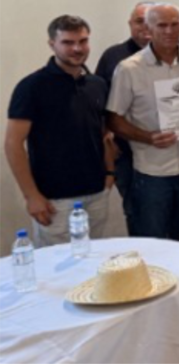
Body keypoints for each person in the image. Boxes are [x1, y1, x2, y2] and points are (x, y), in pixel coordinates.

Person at [6, 15, 113, 247]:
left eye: (83, 41)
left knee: (95, 260)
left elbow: (104, 133)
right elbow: (13, 143)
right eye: (67, 42)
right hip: (54, 200)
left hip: (96, 193)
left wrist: (109, 175)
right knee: (56, 265)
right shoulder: (31, 87)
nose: (77, 48)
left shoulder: (97, 84)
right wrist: (31, 196)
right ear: (52, 44)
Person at [106, 3, 179, 245]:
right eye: (162, 25)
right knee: (152, 243)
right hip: (153, 172)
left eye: (174, 24)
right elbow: (114, 119)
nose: (169, 31)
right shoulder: (129, 69)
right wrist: (148, 137)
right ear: (149, 28)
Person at [95, 1, 153, 233]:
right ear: (130, 24)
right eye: (139, 21)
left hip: (170, 150)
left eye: (151, 21)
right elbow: (98, 101)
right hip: (126, 152)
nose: (145, 26)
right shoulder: (113, 56)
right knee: (137, 212)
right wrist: (106, 138)